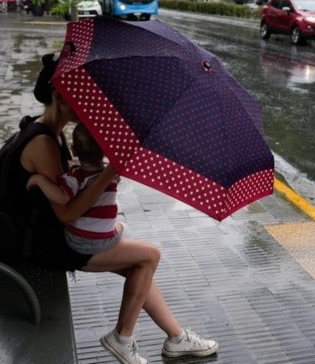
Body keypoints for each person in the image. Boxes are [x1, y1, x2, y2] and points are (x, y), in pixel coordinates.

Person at [12, 51, 219, 363]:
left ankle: (176, 337)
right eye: (77, 97)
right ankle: (123, 338)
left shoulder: (51, 133)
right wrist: (109, 173)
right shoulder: (43, 142)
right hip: (49, 244)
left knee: (139, 267)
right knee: (149, 256)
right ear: (59, 96)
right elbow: (68, 211)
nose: (85, 106)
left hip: (50, 234)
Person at [26, 123, 124, 255]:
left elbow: (61, 198)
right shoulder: (111, 175)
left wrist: (39, 180)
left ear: (73, 150)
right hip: (104, 240)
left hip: (77, 240)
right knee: (122, 226)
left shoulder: (76, 177)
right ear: (104, 150)